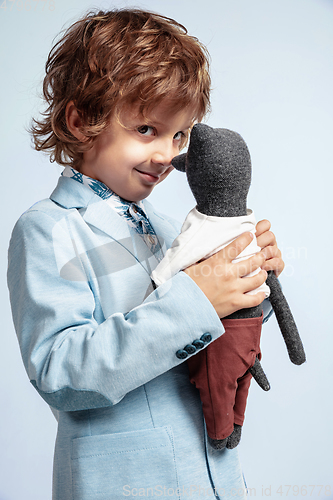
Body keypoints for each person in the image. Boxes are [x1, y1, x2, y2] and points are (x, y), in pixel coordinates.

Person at [7, 8, 284, 499]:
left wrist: (247, 285)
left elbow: (209, 339)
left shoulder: (167, 226)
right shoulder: (48, 230)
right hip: (129, 482)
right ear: (80, 120)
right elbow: (60, 371)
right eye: (147, 130)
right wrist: (198, 300)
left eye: (180, 135)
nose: (167, 155)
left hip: (210, 478)